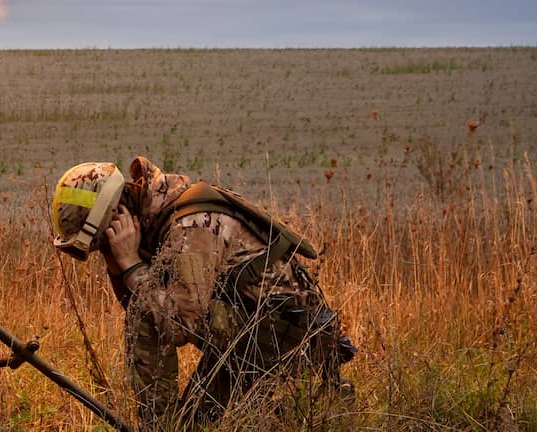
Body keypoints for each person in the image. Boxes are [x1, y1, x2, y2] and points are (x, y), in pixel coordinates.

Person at [51, 157, 355, 429]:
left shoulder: (189, 224)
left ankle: (159, 429)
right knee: (191, 424)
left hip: (283, 338)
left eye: (101, 241)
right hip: (255, 332)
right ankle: (302, 407)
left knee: (149, 314)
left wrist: (131, 265)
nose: (104, 247)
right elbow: (143, 304)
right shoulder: (157, 215)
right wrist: (117, 265)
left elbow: (179, 323)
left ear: (117, 214)